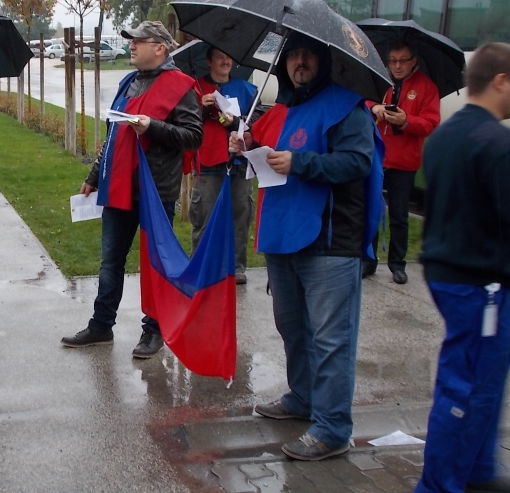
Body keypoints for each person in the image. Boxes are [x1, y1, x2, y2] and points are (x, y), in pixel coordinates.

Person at [229, 32, 382, 461]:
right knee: (292, 327)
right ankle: (303, 398)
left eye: (307, 55)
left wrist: (301, 163)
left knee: (331, 338)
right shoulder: (284, 108)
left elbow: (358, 162)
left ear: (323, 60)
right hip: (283, 236)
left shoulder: (347, 107)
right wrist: (246, 148)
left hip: (330, 240)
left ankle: (333, 428)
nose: (299, 62)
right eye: (292, 55)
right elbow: (267, 155)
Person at [61, 21, 203, 358]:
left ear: (160, 48)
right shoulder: (128, 82)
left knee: (156, 265)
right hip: (118, 186)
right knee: (110, 261)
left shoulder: (182, 86)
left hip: (156, 191)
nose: (131, 46)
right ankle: (101, 326)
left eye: (139, 41)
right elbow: (114, 134)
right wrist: (94, 177)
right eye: (131, 41)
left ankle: (154, 330)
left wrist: (152, 127)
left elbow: (194, 137)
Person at [415, 42, 510, 493]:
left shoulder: (443, 136)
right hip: (482, 285)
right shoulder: (497, 143)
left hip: (447, 274)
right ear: (501, 81)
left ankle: (477, 473)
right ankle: (441, 484)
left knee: (480, 383)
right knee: (469, 387)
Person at [362, 41, 440, 284]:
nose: (397, 66)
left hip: (404, 162)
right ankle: (368, 260)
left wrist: (406, 121)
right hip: (377, 157)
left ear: (413, 61)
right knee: (371, 211)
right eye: (393, 61)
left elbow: (431, 124)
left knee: (398, 215)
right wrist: (374, 107)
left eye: (402, 61)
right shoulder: (378, 80)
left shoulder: (426, 87)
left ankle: (397, 264)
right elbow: (361, 100)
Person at [188, 47, 263, 285]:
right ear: (208, 61)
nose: (225, 60)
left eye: (228, 56)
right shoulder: (195, 88)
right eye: (219, 56)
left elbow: (259, 122)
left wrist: (235, 122)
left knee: (240, 216)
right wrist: (200, 107)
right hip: (209, 162)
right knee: (204, 217)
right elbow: (184, 122)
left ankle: (236, 267)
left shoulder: (248, 90)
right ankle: (201, 266)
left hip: (240, 162)